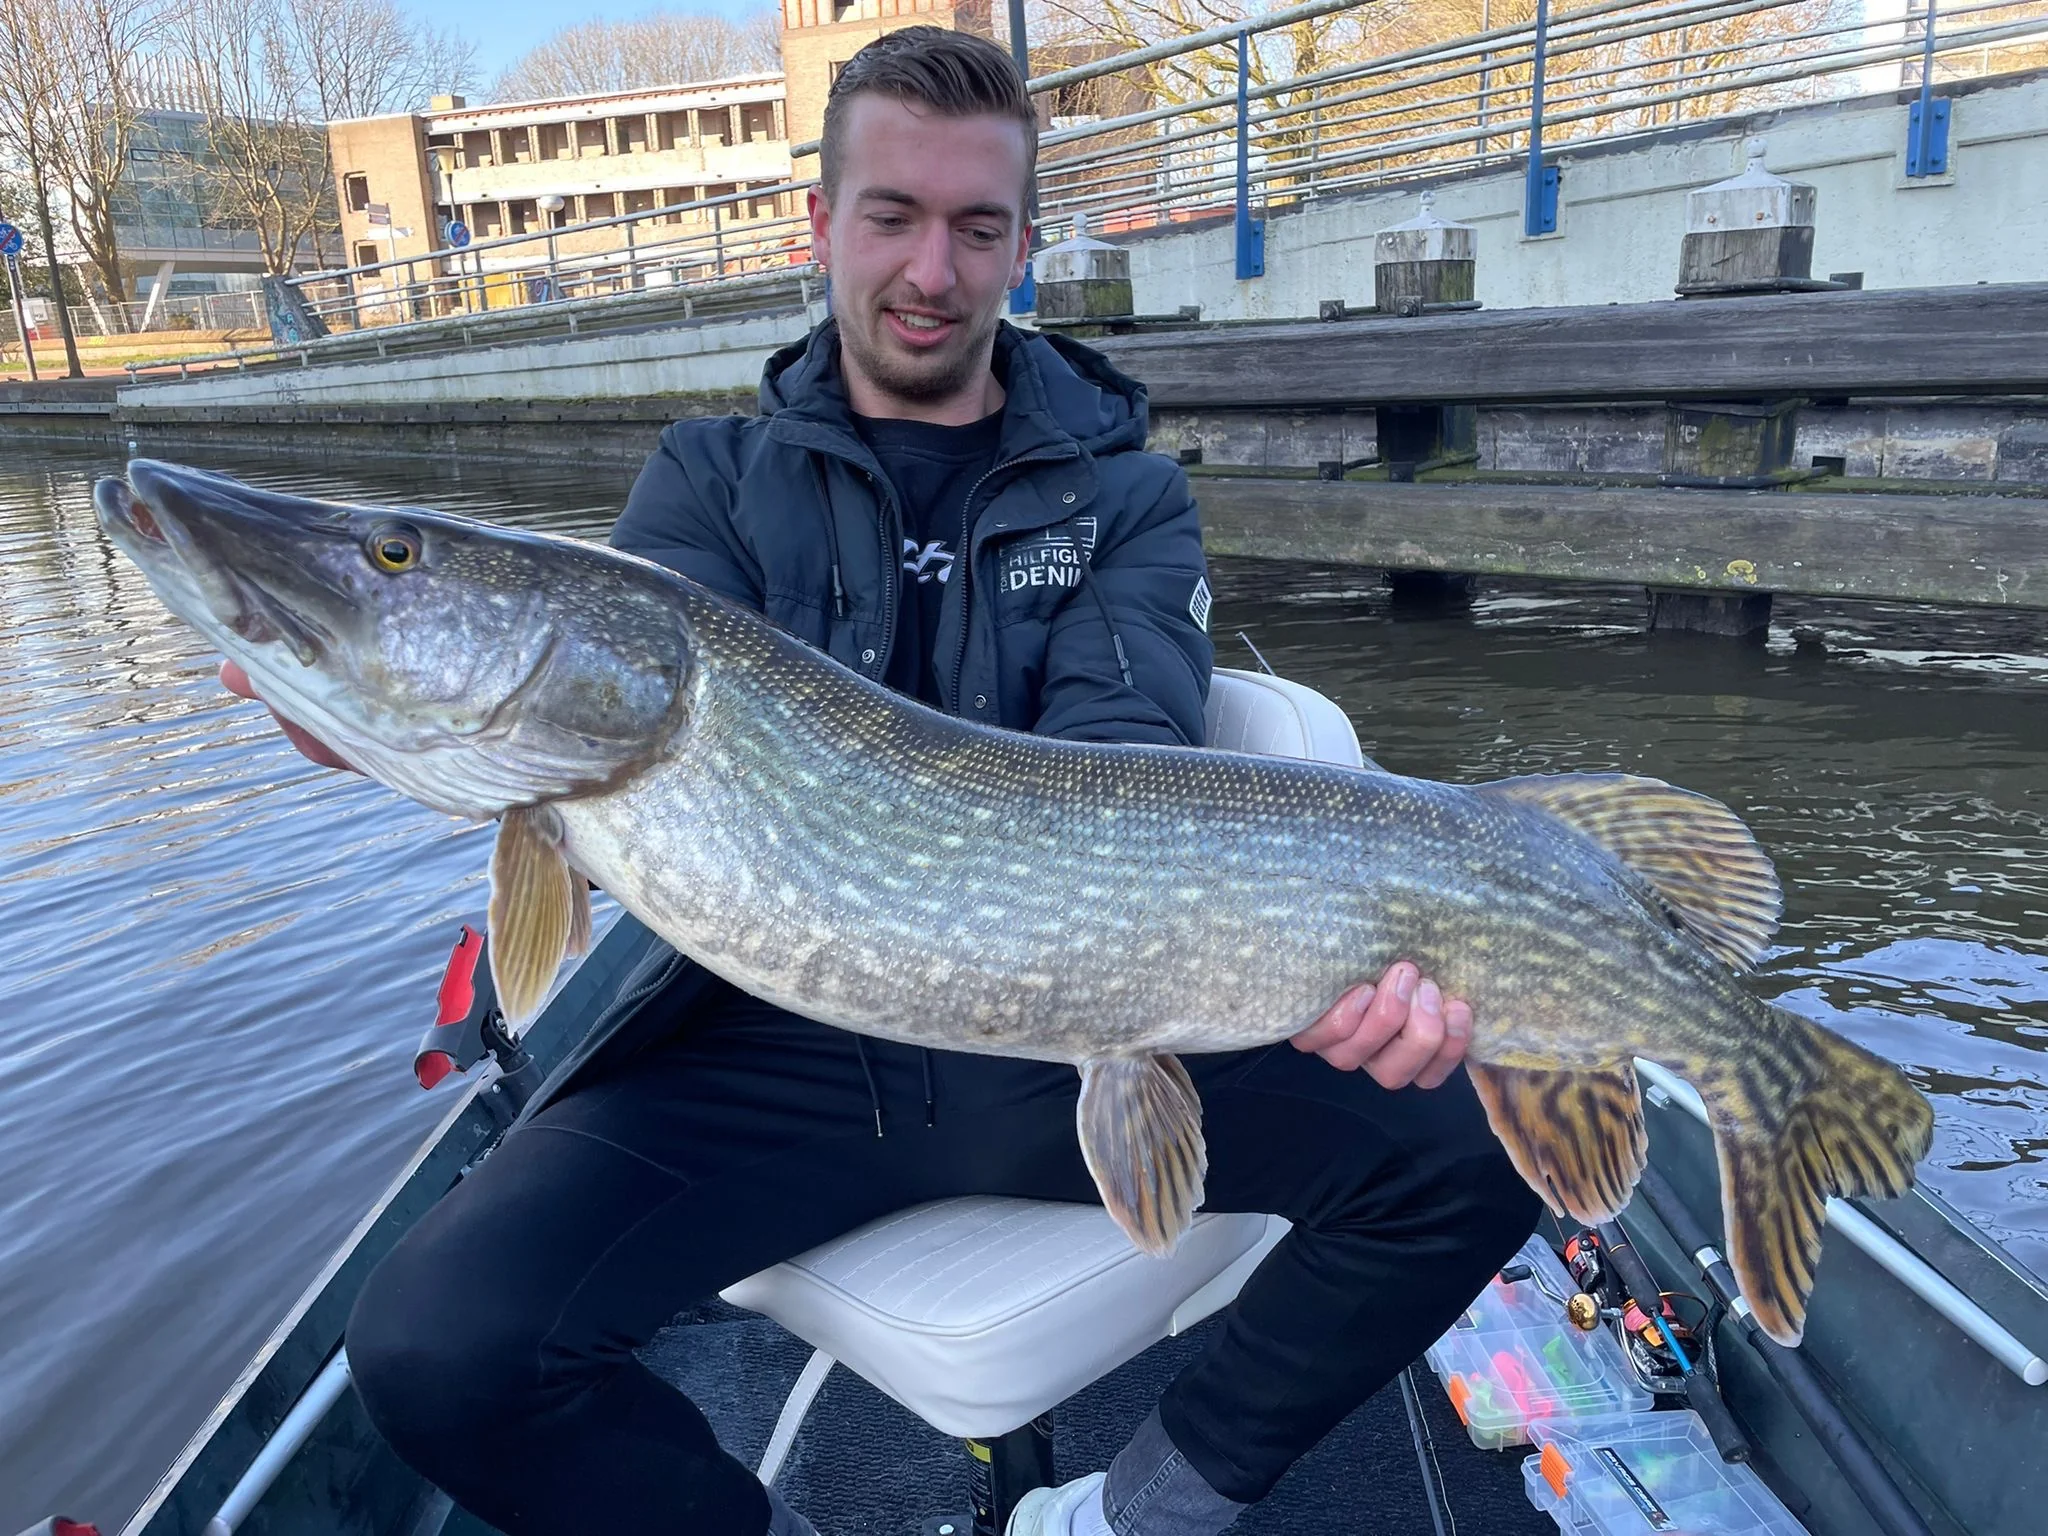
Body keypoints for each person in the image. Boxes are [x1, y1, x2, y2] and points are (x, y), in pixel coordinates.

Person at [227, 27, 1539, 1536]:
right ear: (823, 226)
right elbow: (590, 767)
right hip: (766, 1041)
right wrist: (414, 727)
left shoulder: (1124, 492)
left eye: (977, 226)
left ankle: (1148, 1508)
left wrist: (1319, 970)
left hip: (1070, 1016)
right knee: (434, 1349)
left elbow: (1124, 762)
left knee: (1495, 1135)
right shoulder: (709, 480)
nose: (933, 268)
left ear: (1023, 247)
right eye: (893, 216)